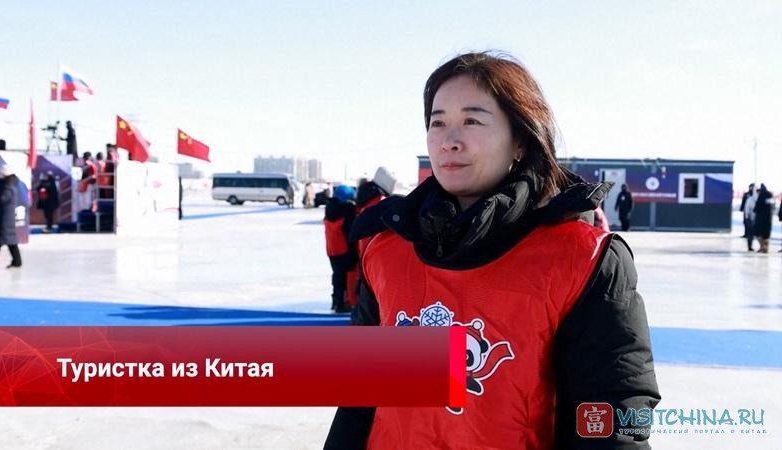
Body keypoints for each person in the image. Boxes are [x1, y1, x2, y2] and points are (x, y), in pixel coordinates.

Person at [326, 52, 659, 449]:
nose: (449, 141)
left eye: (472, 121)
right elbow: (357, 401)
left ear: (520, 139)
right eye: (438, 122)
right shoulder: (387, 252)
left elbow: (612, 420)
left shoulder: (582, 260)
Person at [324, 185, 358, 313]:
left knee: (337, 276)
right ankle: (346, 302)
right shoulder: (347, 212)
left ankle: (336, 301)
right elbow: (351, 233)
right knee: (348, 277)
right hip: (345, 250)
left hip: (332, 250)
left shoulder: (329, 209)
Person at [753, 183, 774, 253]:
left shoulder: (761, 196)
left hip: (760, 219)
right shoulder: (770, 195)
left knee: (758, 234)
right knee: (766, 235)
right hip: (769, 218)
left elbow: (757, 208)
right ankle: (766, 248)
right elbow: (772, 206)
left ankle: (762, 247)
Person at [741, 183, 758, 251]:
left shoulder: (757, 198)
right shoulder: (749, 199)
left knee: (752, 233)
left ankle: (750, 245)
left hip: (755, 218)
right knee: (750, 232)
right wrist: (747, 217)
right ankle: (750, 245)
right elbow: (747, 209)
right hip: (750, 218)